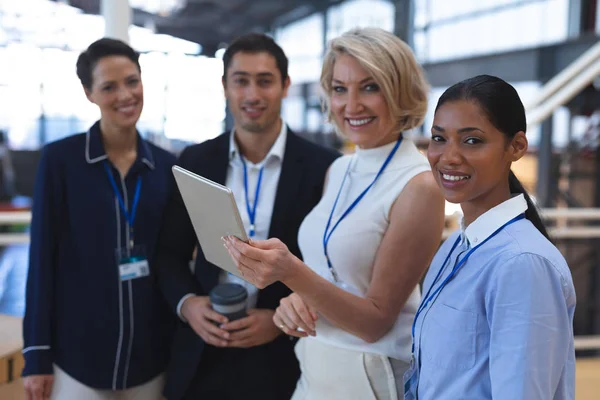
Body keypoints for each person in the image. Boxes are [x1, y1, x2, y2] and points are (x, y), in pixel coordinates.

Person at [224, 27, 445, 399]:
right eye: (340, 89)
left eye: (370, 87)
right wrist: (295, 303)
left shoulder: (418, 185)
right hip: (315, 368)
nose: (351, 105)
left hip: (369, 376)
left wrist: (291, 272)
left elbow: (374, 321)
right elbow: (334, 279)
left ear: (400, 90)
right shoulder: (340, 168)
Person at [154, 32, 339, 400]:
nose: (253, 95)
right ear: (225, 86)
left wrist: (280, 322)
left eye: (265, 81)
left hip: (285, 353)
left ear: (285, 86)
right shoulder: (196, 161)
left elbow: (332, 268)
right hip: (205, 349)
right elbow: (168, 252)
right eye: (241, 81)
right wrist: (188, 305)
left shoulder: (325, 168)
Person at [402, 75, 576, 399]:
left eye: (472, 141)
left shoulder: (522, 264)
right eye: (439, 138)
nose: (449, 156)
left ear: (517, 146)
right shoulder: (456, 245)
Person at [22, 38, 176, 400]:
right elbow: (42, 260)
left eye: (132, 81)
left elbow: (174, 258)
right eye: (109, 86)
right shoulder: (61, 161)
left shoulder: (166, 167)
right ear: (89, 93)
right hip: (78, 360)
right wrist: (36, 356)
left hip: (151, 358)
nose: (125, 95)